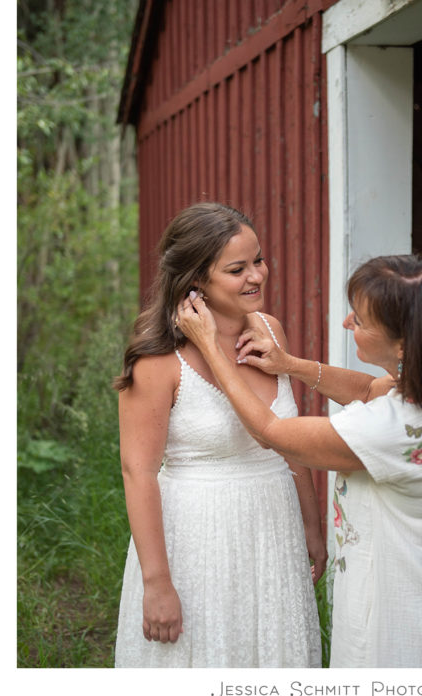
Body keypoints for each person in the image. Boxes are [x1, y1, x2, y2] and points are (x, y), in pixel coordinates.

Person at [176, 253, 422, 667]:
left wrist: (210, 347)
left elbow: (270, 432)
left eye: (362, 320)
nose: (349, 322)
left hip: (400, 622)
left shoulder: (393, 429)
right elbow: (372, 389)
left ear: (405, 343)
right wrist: (289, 365)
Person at [113, 202, 324, 667]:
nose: (257, 276)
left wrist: (311, 525)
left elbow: (289, 443)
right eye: (237, 269)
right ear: (196, 279)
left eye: (259, 260)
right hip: (197, 538)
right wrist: (157, 583)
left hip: (273, 527)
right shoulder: (157, 359)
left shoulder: (270, 331)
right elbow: (138, 472)